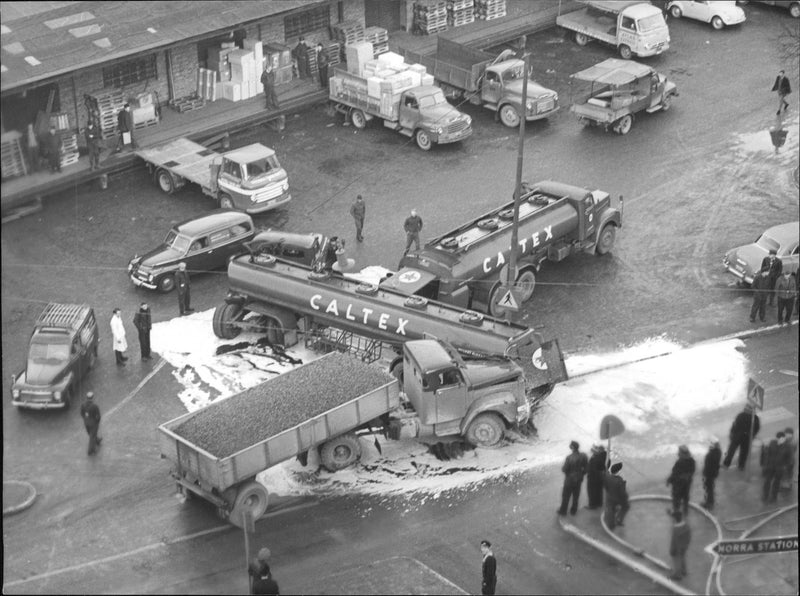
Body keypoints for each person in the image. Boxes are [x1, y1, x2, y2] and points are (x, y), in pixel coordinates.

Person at [723, 404, 760, 470]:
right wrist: (732, 433)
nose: (746, 409)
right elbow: (735, 425)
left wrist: (752, 435)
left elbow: (756, 428)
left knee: (741, 452)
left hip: (742, 437)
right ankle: (733, 464)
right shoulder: (744, 416)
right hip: (741, 437)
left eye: (748, 408)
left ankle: (738, 465)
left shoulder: (753, 417)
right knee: (733, 451)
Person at [558, 440, 588, 516]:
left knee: (566, 496)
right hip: (578, 480)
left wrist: (565, 470)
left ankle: (563, 511)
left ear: (572, 447)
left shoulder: (569, 458)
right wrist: (581, 474)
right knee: (576, 496)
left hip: (569, 480)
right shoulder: (583, 456)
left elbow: (565, 469)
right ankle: (573, 510)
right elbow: (586, 468)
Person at [667, 445, 696, 517]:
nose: (678, 453)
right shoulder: (692, 461)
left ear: (682, 453)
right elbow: (692, 472)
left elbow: (674, 474)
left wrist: (669, 480)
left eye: (679, 452)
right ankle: (685, 510)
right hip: (687, 484)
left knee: (676, 498)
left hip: (678, 485)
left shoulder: (679, 462)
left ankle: (676, 512)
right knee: (685, 497)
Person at [761, 431, 788, 503]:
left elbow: (789, 458)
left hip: (779, 468)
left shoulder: (787, 446)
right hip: (770, 467)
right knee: (767, 481)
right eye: (781, 439)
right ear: (777, 438)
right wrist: (765, 466)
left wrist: (785, 466)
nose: (782, 440)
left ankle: (774, 497)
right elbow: (767, 455)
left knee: (776, 483)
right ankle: (765, 495)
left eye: (783, 438)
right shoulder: (772, 443)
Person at [603, 462, 629, 530]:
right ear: (618, 471)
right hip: (617, 498)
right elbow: (622, 492)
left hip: (609, 497)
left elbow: (605, 486)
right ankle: (619, 520)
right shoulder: (619, 480)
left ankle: (611, 525)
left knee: (610, 509)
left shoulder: (607, 476)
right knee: (626, 506)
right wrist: (625, 498)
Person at [668, 509, 691, 581]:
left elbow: (674, 541)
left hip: (677, 549)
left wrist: (672, 550)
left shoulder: (675, 529)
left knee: (677, 561)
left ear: (674, 519)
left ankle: (677, 575)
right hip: (684, 547)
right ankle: (684, 571)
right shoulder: (686, 526)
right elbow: (689, 537)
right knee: (683, 558)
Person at [700, 437, 722, 510]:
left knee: (709, 488)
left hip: (709, 474)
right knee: (710, 487)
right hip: (713, 473)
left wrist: (705, 473)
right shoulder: (718, 452)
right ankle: (710, 501)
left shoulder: (712, 454)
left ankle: (709, 503)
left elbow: (709, 465)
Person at [586, 444, 607, 510]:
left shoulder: (595, 459)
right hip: (600, 477)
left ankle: (592, 505)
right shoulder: (603, 456)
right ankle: (599, 503)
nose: (592, 451)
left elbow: (593, 469)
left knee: (592, 491)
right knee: (599, 490)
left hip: (593, 478)